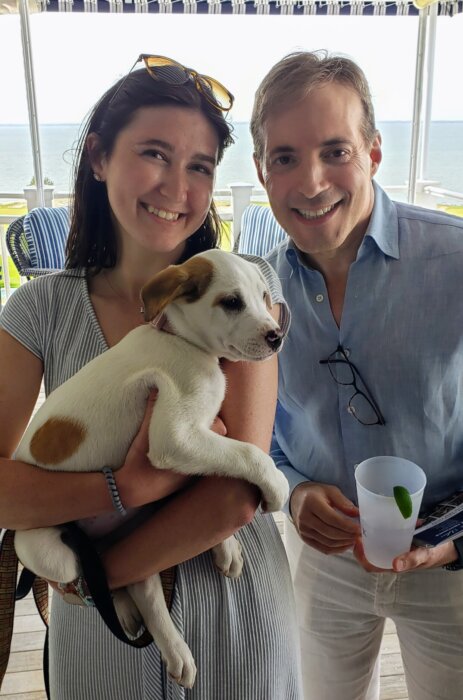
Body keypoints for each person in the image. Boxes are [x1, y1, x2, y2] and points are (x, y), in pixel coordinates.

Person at [0, 55, 302, 700]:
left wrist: (98, 575)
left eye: (200, 166)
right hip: (99, 640)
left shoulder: (248, 292)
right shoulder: (39, 308)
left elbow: (236, 494)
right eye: (155, 154)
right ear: (99, 157)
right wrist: (123, 487)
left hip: (229, 608)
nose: (177, 187)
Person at [249, 50, 463, 700]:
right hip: (322, 558)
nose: (310, 182)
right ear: (260, 172)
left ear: (371, 153)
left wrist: (454, 540)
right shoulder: (256, 290)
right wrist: (293, 490)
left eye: (334, 151)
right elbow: (258, 432)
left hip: (447, 559)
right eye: (284, 157)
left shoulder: (454, 263)